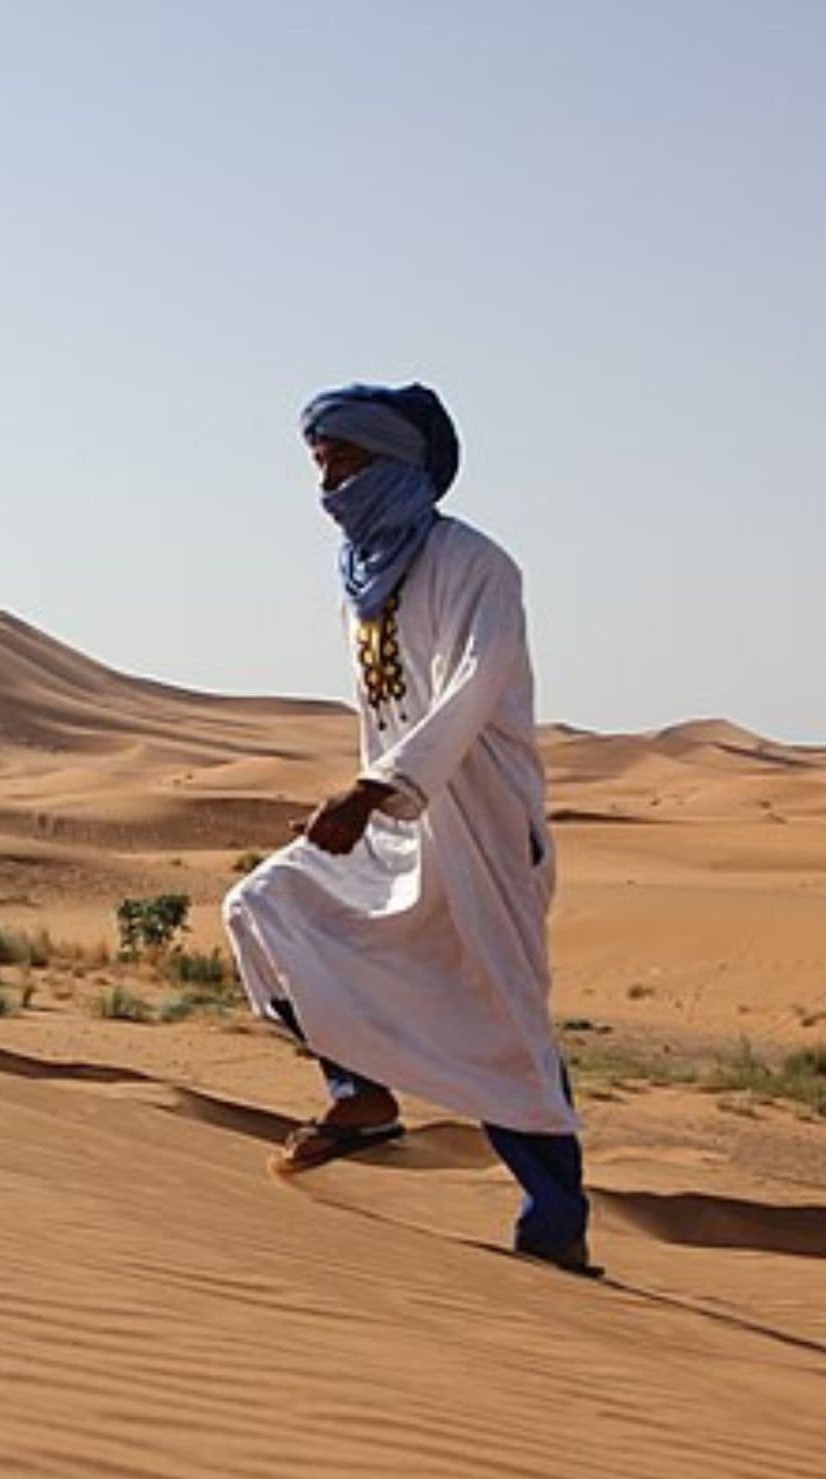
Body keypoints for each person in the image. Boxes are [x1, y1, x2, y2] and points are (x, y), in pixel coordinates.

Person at [221, 382, 594, 1274]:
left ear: (396, 464)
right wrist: (368, 794)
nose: (330, 485)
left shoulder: (478, 566)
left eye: (345, 461)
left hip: (482, 820)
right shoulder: (360, 580)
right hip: (394, 816)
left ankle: (555, 1224)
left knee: (502, 1016)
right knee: (262, 907)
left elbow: (471, 689)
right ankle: (359, 1094)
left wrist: (374, 789)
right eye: (320, 465)